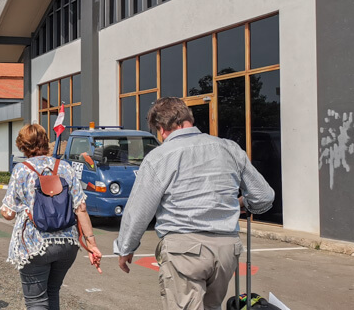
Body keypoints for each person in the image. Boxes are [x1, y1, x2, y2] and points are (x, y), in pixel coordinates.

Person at [113, 97, 275, 310]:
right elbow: (263, 196)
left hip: (184, 250)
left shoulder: (160, 157)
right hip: (226, 250)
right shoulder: (229, 149)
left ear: (161, 129)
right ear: (190, 119)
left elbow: (140, 210)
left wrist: (126, 248)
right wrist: (244, 204)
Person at [1, 124, 103, 310]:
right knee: (53, 292)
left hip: (34, 245)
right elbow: (81, 208)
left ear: (22, 145)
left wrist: (11, 210)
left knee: (36, 301)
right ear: (45, 143)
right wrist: (92, 244)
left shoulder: (21, 170)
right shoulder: (65, 167)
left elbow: (8, 212)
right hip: (67, 245)